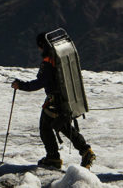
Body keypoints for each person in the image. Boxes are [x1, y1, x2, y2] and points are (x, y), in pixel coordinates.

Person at [11, 32, 96, 170]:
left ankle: (54, 158)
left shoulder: (48, 62)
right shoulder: (58, 58)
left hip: (55, 102)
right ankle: (84, 151)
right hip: (63, 99)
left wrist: (20, 85)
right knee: (62, 126)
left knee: (47, 127)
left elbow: (40, 83)